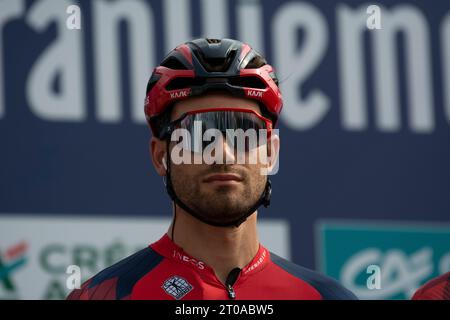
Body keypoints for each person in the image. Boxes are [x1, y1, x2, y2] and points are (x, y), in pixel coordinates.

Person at [67, 38, 356, 300]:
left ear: (270, 152)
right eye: (197, 134)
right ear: (160, 155)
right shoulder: (104, 295)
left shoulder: (328, 298)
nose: (224, 152)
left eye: (245, 130)